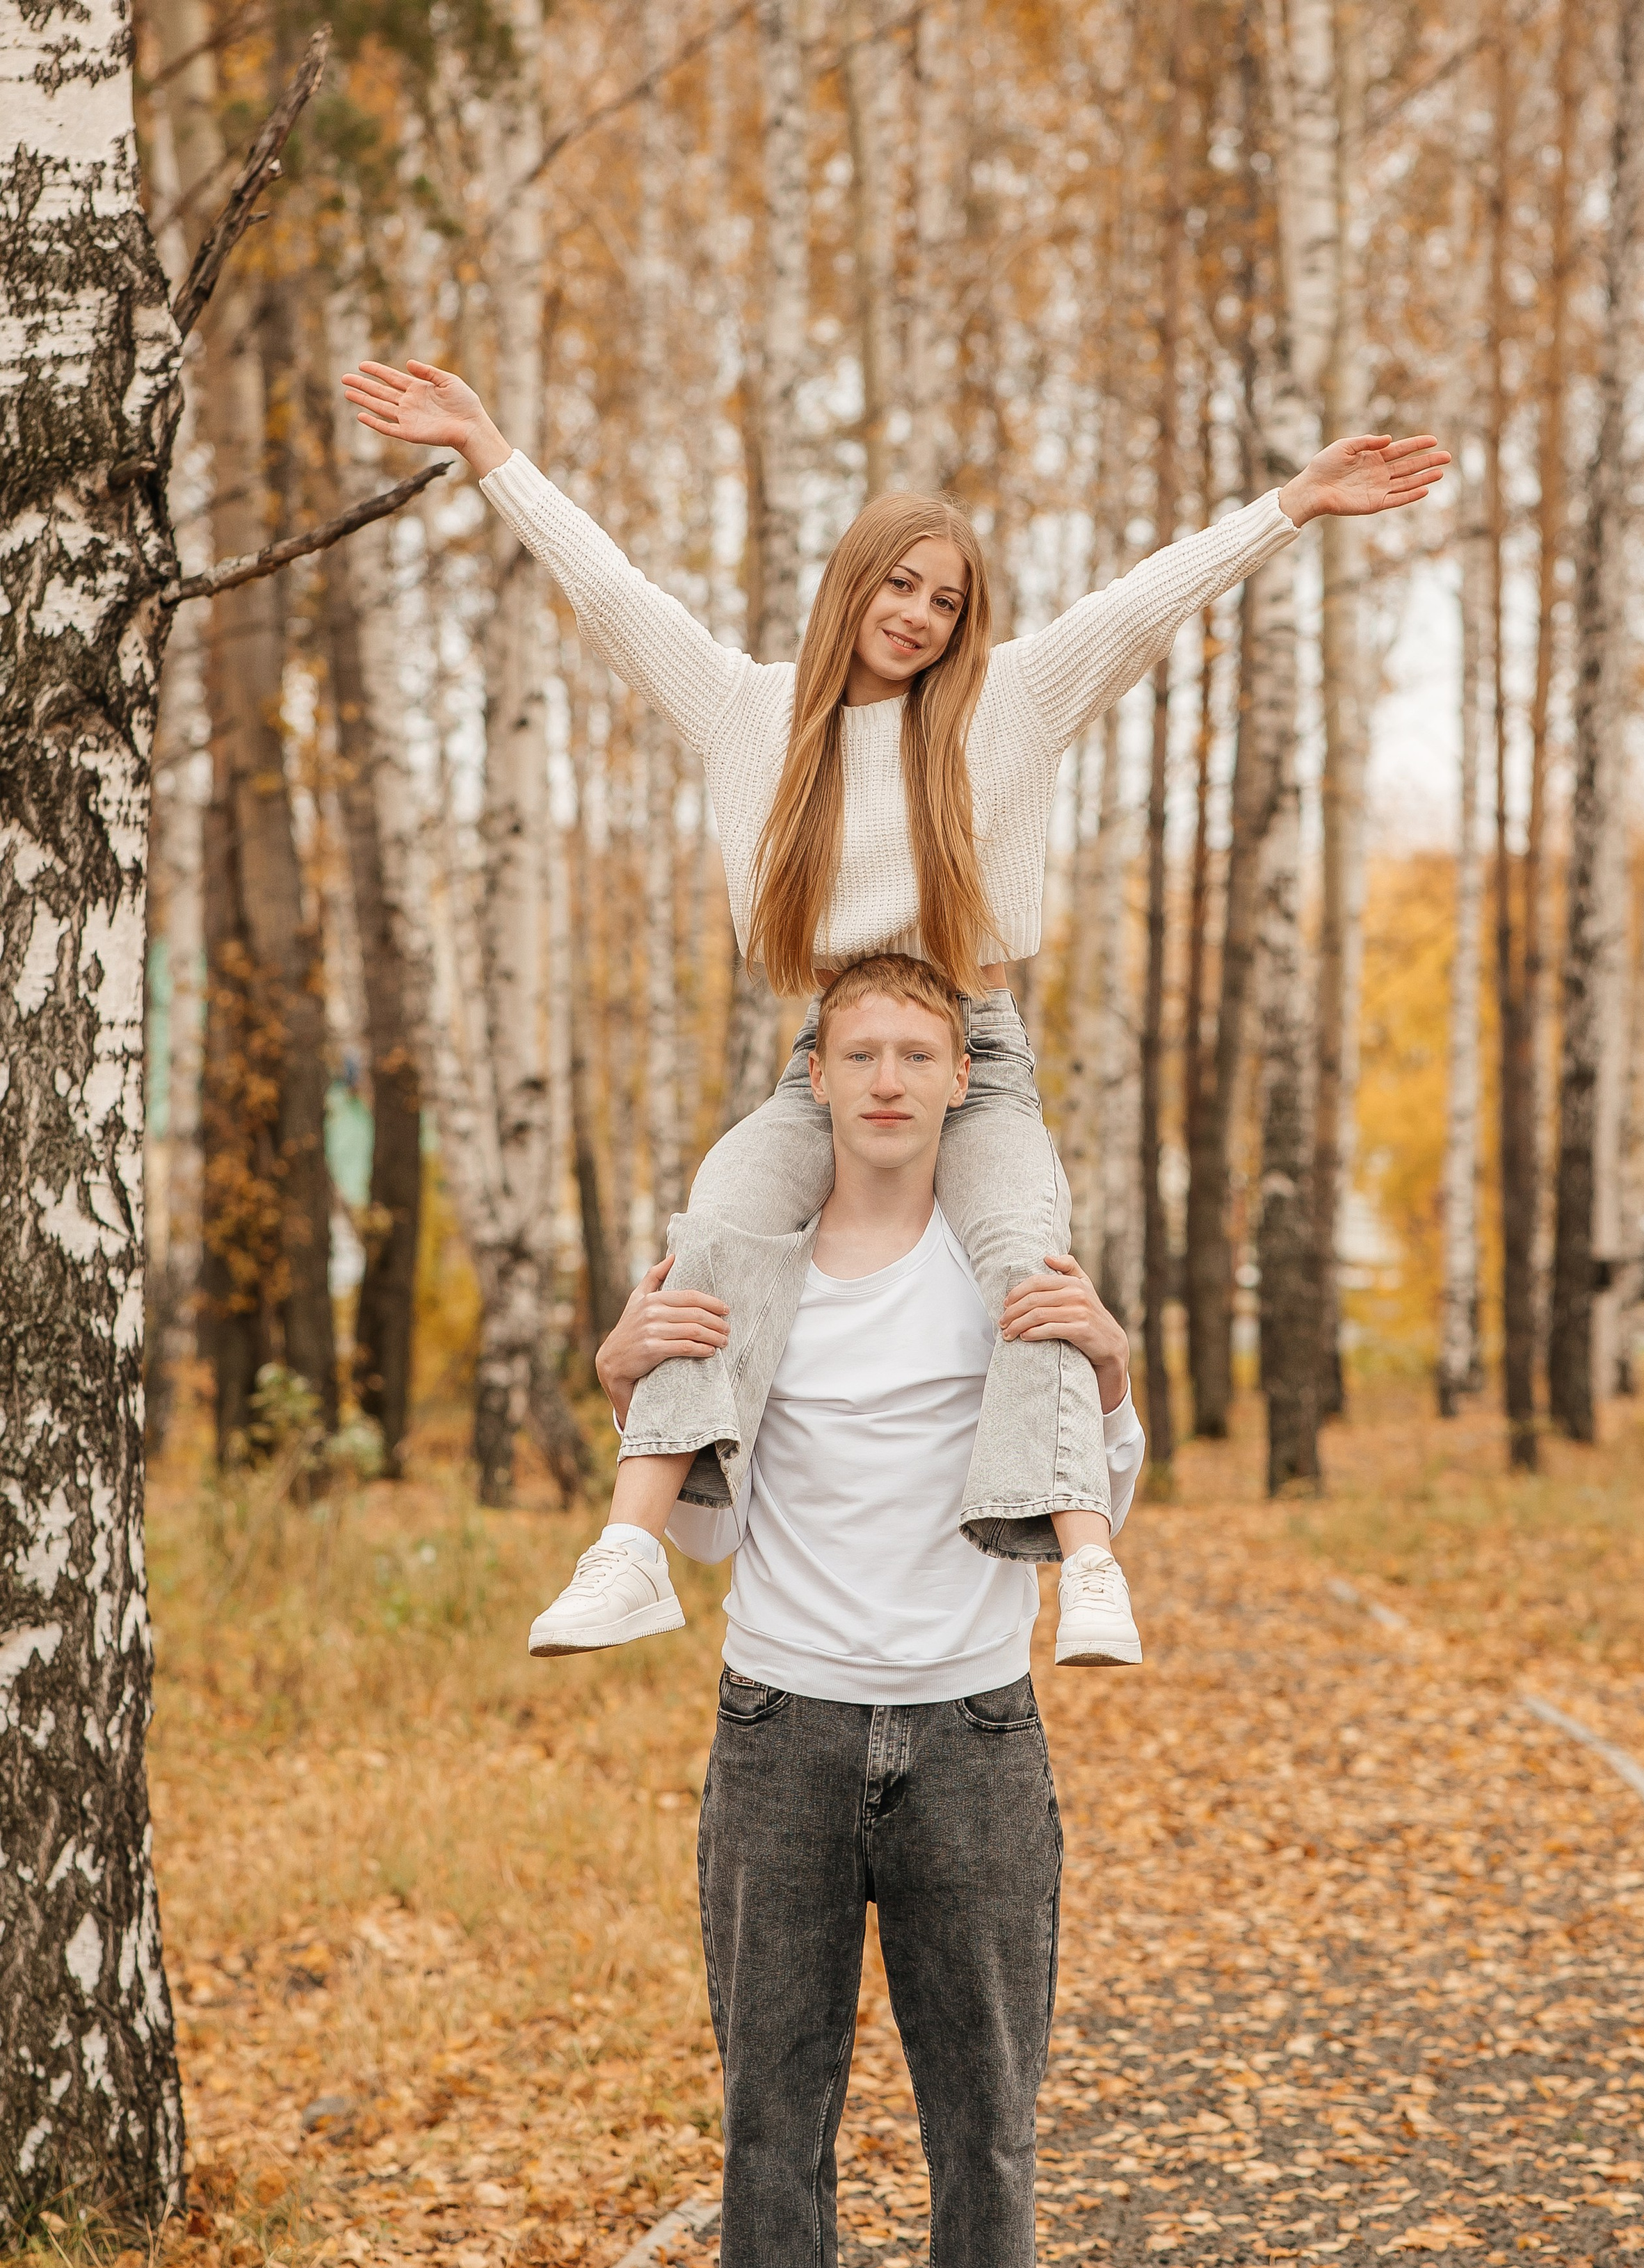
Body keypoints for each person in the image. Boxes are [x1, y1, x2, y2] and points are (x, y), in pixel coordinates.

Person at [341, 357, 1447, 1669]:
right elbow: (611, 594)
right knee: (717, 1224)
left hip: (974, 1059)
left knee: (1027, 1265)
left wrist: (1294, 506)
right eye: (899, 584)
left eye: (946, 600)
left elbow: (1146, 602)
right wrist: (489, 446)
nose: (918, 617)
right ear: (850, 587)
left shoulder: (1006, 709)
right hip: (829, 1054)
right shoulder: (748, 713)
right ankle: (636, 1547)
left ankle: (1085, 1568)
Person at [590, 953, 1143, 2268]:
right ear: (815, 1078)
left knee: (987, 2123)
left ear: (956, 1081)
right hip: (782, 1733)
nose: (890, 1080)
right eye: (861, 1054)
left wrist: (1110, 1362)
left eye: (918, 1052)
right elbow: (697, 1513)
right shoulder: (743, 1262)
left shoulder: (1002, 1259)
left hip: (976, 1734)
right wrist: (623, 1373)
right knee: (773, 2117)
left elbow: (1083, 1472)